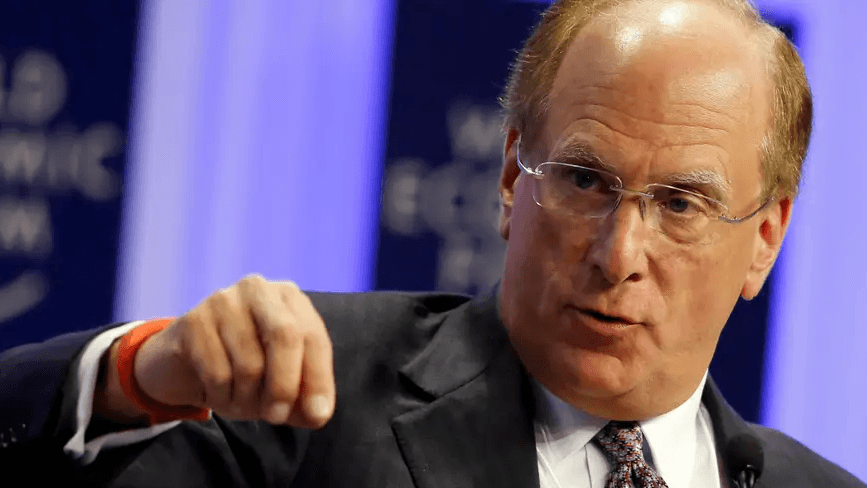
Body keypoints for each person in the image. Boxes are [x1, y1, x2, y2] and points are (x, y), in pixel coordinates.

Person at [0, 0, 864, 486]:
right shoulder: (305, 399)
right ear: (510, 178)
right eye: (583, 180)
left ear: (764, 239)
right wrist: (133, 379)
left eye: (679, 203)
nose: (617, 255)